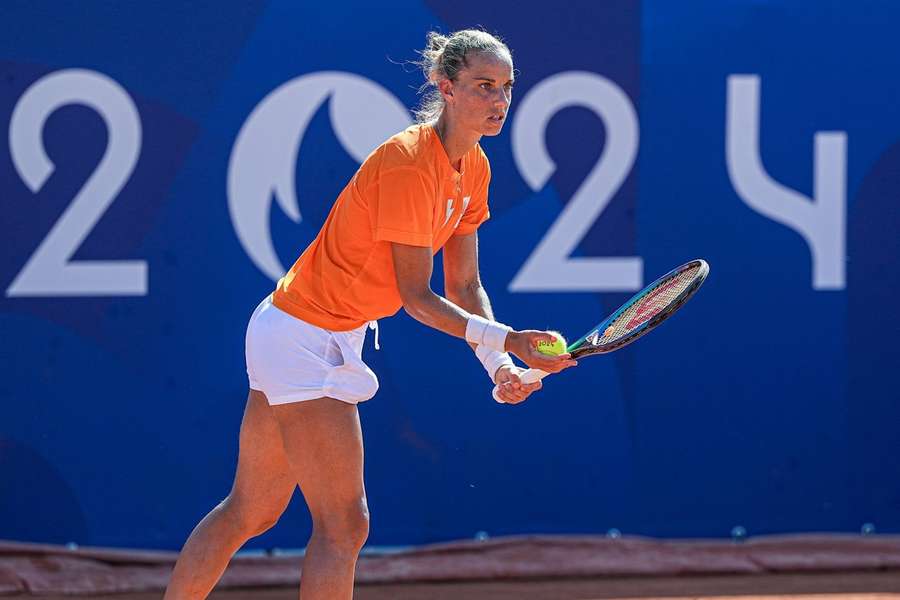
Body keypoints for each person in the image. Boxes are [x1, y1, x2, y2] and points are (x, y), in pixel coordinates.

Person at [164, 29, 576, 600]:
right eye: (484, 86)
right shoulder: (408, 163)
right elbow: (417, 296)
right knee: (344, 525)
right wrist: (510, 339)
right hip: (303, 336)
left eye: (507, 88)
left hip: (301, 328)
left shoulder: (474, 168)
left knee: (250, 511)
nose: (499, 101)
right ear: (446, 86)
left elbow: (465, 283)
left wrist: (498, 364)